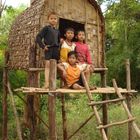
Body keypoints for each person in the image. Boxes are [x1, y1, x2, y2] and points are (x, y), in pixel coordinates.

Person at [36, 12, 60, 88]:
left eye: (55, 19)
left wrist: (60, 43)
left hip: (56, 50)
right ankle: (46, 83)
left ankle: (52, 83)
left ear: (57, 20)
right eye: (51, 18)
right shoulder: (46, 28)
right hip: (49, 49)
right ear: (48, 19)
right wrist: (43, 46)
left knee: (55, 66)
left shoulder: (57, 31)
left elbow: (58, 41)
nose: (53, 20)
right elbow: (38, 37)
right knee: (48, 65)